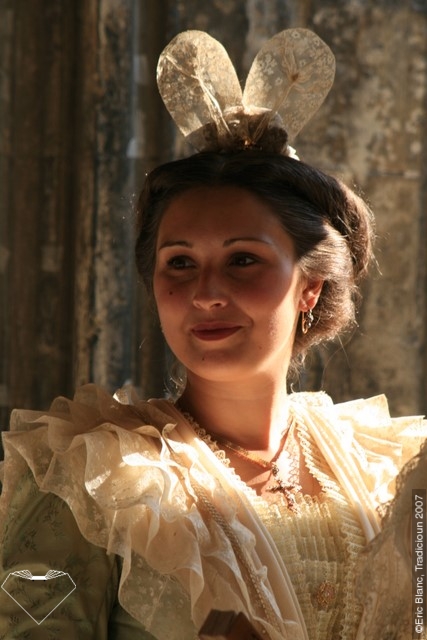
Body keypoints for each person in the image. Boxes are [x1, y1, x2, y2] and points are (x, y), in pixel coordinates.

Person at [0, 28, 426, 640]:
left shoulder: (394, 472)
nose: (205, 292)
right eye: (179, 262)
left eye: (243, 259)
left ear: (310, 287)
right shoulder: (92, 478)